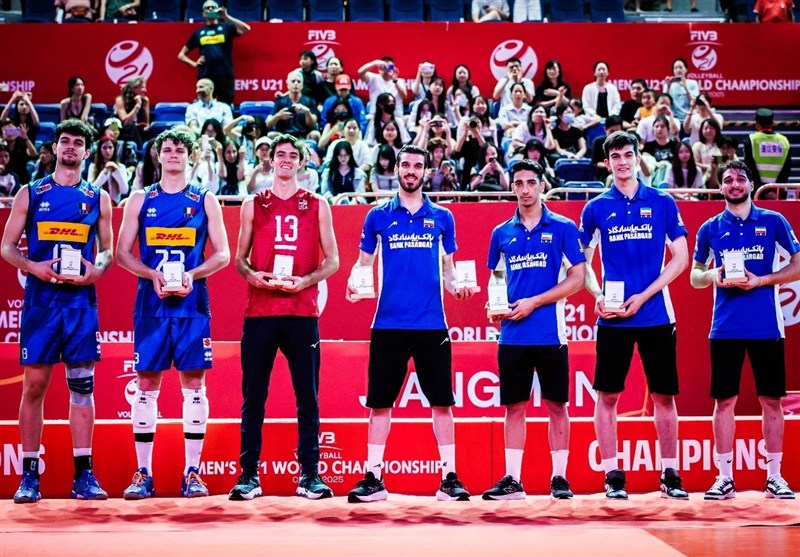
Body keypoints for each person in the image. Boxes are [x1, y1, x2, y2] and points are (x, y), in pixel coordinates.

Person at [345, 144, 475, 503]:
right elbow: (363, 264)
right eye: (406, 165)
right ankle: (373, 478)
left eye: (418, 165)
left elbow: (449, 271)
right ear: (397, 169)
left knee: (442, 403)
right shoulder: (377, 216)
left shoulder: (443, 217)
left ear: (426, 171)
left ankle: (449, 478)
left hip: (432, 325)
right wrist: (355, 285)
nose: (411, 170)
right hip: (387, 325)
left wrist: (458, 288)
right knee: (380, 404)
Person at [2, 119, 113, 503]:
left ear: (87, 151)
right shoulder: (31, 193)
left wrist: (96, 271)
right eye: (65, 141)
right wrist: (32, 266)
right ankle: (29, 476)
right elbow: (7, 247)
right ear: (54, 148)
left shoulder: (98, 197)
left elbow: (108, 250)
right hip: (41, 301)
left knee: (82, 386)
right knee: (34, 386)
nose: (70, 147)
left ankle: (84, 475)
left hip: (79, 303)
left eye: (78, 143)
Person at [116, 128, 230, 499]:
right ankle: (143, 473)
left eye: (180, 149)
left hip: (191, 304)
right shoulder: (140, 198)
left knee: (194, 387)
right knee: (146, 386)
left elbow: (223, 254)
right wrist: (152, 275)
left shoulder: (204, 199)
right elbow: (122, 254)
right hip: (151, 304)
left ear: (191, 156)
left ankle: (192, 472)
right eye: (167, 149)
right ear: (158, 155)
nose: (173, 154)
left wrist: (192, 275)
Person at [578, 130, 689, 500]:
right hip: (613, 317)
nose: (622, 162)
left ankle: (670, 473)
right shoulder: (595, 208)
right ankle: (612, 475)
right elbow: (581, 263)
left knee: (663, 396)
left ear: (637, 157)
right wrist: (597, 294)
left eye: (628, 155)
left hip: (656, 314)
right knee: (607, 396)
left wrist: (644, 296)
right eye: (616, 157)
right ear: (607, 162)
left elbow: (681, 258)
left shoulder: (661, 201)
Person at [229, 134, 339, 501]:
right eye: (281, 155)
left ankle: (310, 475)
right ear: (271, 160)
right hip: (260, 311)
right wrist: (252, 276)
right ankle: (248, 475)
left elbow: (333, 260)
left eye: (293, 155)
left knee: (308, 397)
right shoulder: (253, 203)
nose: (287, 160)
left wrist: (305, 281)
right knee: (253, 397)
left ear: (302, 162)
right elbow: (239, 259)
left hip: (301, 311)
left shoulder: (318, 204)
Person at [690, 160, 800, 500]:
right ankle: (724, 477)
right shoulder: (709, 228)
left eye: (740, 179)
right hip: (725, 328)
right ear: (720, 187)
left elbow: (798, 265)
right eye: (727, 180)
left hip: (767, 327)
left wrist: (762, 280)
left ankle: (774, 476)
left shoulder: (774, 221)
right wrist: (713, 275)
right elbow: (695, 276)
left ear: (751, 185)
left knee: (771, 401)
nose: (734, 184)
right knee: (725, 402)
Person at [482, 160, 586, 501]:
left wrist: (534, 302)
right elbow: (496, 278)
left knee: (557, 405)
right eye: (519, 183)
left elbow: (578, 278)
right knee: (514, 407)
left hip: (551, 334)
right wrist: (495, 305)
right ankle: (513, 480)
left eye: (531, 182)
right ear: (512, 187)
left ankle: (560, 478)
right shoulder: (500, 233)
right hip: (512, 335)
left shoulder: (563, 227)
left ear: (542, 185)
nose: (525, 189)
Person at [177, 0, 251, 106]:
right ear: (203, 14)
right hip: (206, 74)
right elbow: (181, 55)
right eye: (207, 8)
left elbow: (246, 29)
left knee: (226, 105)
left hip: (224, 73)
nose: (210, 9)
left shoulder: (227, 28)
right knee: (204, 105)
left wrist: (226, 17)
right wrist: (194, 63)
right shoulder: (198, 33)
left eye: (213, 7)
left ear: (218, 11)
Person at [743, 108, 791, 197]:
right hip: (778, 193)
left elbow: (749, 168)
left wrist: (763, 191)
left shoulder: (752, 140)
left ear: (757, 124)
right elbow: (786, 170)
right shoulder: (784, 141)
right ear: (772, 123)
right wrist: (774, 190)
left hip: (757, 193)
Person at [88, 135, 129, 205]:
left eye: (110, 147)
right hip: (97, 204)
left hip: (115, 205)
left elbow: (124, 191)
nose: (107, 151)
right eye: (104, 147)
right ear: (100, 149)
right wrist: (104, 173)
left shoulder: (121, 167)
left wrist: (117, 171)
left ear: (114, 149)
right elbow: (91, 191)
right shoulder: (93, 167)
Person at [663, 59, 700, 123]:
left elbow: (694, 104)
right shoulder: (669, 84)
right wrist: (668, 87)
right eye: (675, 68)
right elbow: (664, 103)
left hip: (690, 117)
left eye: (680, 67)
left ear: (686, 69)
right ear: (673, 71)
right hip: (674, 118)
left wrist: (685, 87)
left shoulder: (693, 83)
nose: (678, 70)